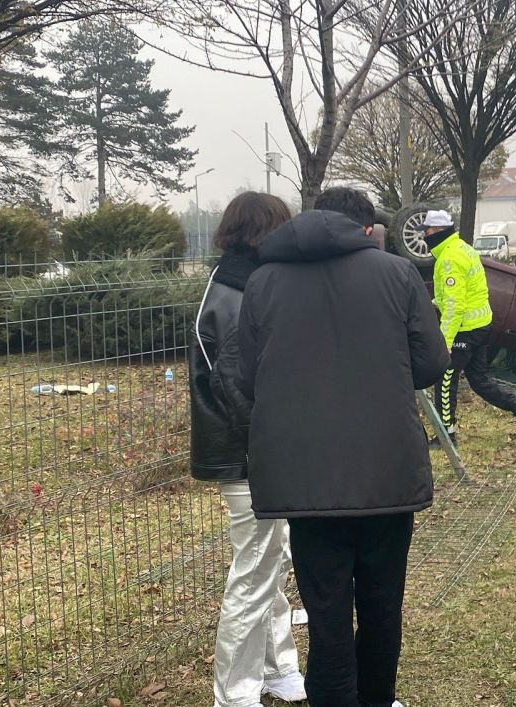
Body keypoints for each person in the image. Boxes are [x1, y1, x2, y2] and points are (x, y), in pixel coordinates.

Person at [237, 187, 450, 707]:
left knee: (326, 610)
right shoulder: (397, 274)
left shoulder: (263, 281)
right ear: (365, 228)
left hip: (304, 479)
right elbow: (431, 363)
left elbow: (247, 376)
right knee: (382, 605)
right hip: (386, 471)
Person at [188, 192, 307, 707]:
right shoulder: (238, 293)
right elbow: (238, 388)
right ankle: (234, 694)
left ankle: (279, 667)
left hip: (254, 450)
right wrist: (277, 441)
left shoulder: (239, 281)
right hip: (248, 455)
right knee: (253, 573)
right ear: (265, 233)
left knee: (270, 562)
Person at [420, 210, 516, 446]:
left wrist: (445, 342)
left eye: (426, 231)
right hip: (482, 325)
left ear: (437, 231)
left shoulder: (449, 258)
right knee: (479, 380)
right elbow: (466, 291)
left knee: (445, 379)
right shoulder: (463, 248)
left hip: (464, 330)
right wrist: (434, 302)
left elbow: (455, 305)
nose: (424, 236)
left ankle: (446, 436)